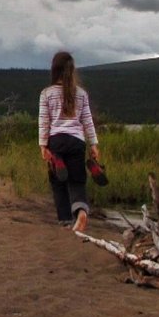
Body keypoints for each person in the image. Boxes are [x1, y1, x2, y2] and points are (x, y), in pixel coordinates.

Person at [38, 51, 100, 232]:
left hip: (56, 140)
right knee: (77, 179)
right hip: (76, 141)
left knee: (57, 181)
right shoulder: (81, 93)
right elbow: (87, 120)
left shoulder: (47, 93)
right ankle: (81, 212)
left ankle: (65, 220)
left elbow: (44, 121)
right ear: (72, 71)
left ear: (54, 70)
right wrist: (94, 144)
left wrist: (43, 146)